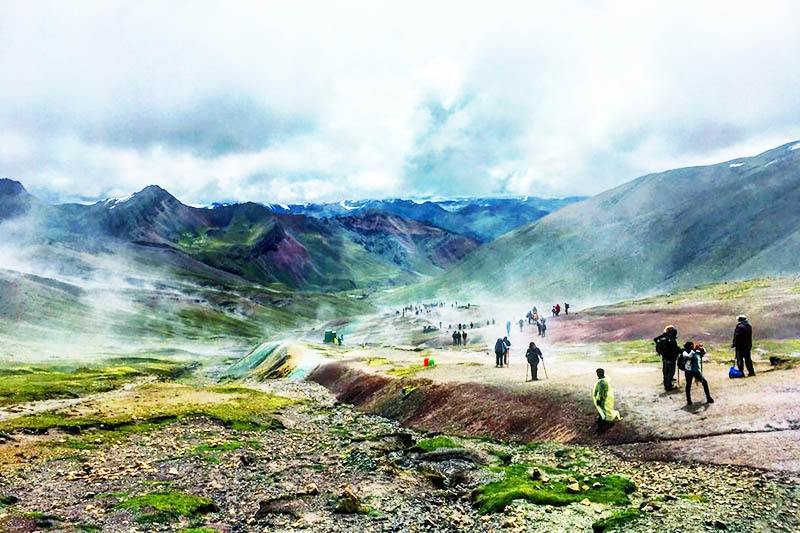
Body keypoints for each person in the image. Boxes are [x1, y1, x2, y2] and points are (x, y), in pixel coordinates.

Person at [654, 325, 681, 391]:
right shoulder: (671, 339)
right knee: (671, 372)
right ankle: (668, 386)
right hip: (671, 357)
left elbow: (655, 339)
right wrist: (681, 350)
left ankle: (666, 384)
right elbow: (674, 348)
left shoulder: (664, 338)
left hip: (665, 357)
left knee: (666, 371)